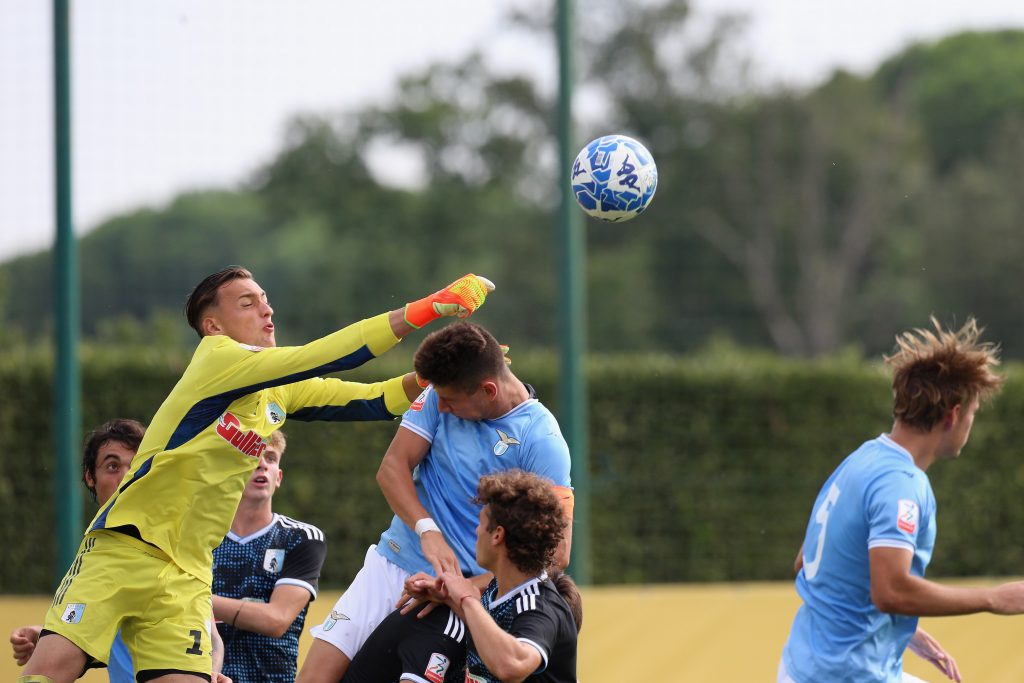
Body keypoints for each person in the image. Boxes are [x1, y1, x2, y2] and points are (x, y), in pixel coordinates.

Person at [20, 267, 493, 683]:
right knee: (50, 670)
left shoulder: (277, 391)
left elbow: (376, 399)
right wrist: (430, 307)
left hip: (188, 576)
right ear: (213, 326)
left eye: (266, 301)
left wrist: (449, 372)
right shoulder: (218, 358)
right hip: (128, 545)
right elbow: (330, 354)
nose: (266, 310)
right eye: (247, 303)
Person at [298, 322, 574, 683]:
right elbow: (392, 468)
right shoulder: (436, 394)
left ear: (488, 390)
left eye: (450, 401)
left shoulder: (542, 439)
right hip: (391, 563)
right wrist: (427, 530)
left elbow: (557, 552)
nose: (440, 406)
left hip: (453, 595)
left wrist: (468, 590)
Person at [779, 317, 1024, 683]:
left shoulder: (863, 457)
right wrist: (993, 599)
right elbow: (890, 591)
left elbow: (807, 562)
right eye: (973, 414)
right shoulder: (901, 484)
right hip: (844, 675)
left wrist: (902, 630)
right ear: (953, 415)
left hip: (803, 665)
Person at [343, 469, 581, 683]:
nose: (476, 530)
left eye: (481, 522)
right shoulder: (500, 588)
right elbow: (488, 626)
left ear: (497, 535)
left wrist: (467, 598)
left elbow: (512, 666)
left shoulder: (539, 606)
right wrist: (446, 595)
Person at [211, 430, 326, 683]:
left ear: (278, 477)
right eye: (252, 456)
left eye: (270, 458)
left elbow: (276, 619)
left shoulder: (301, 537)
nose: (262, 464)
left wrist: (197, 599)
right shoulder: (200, 539)